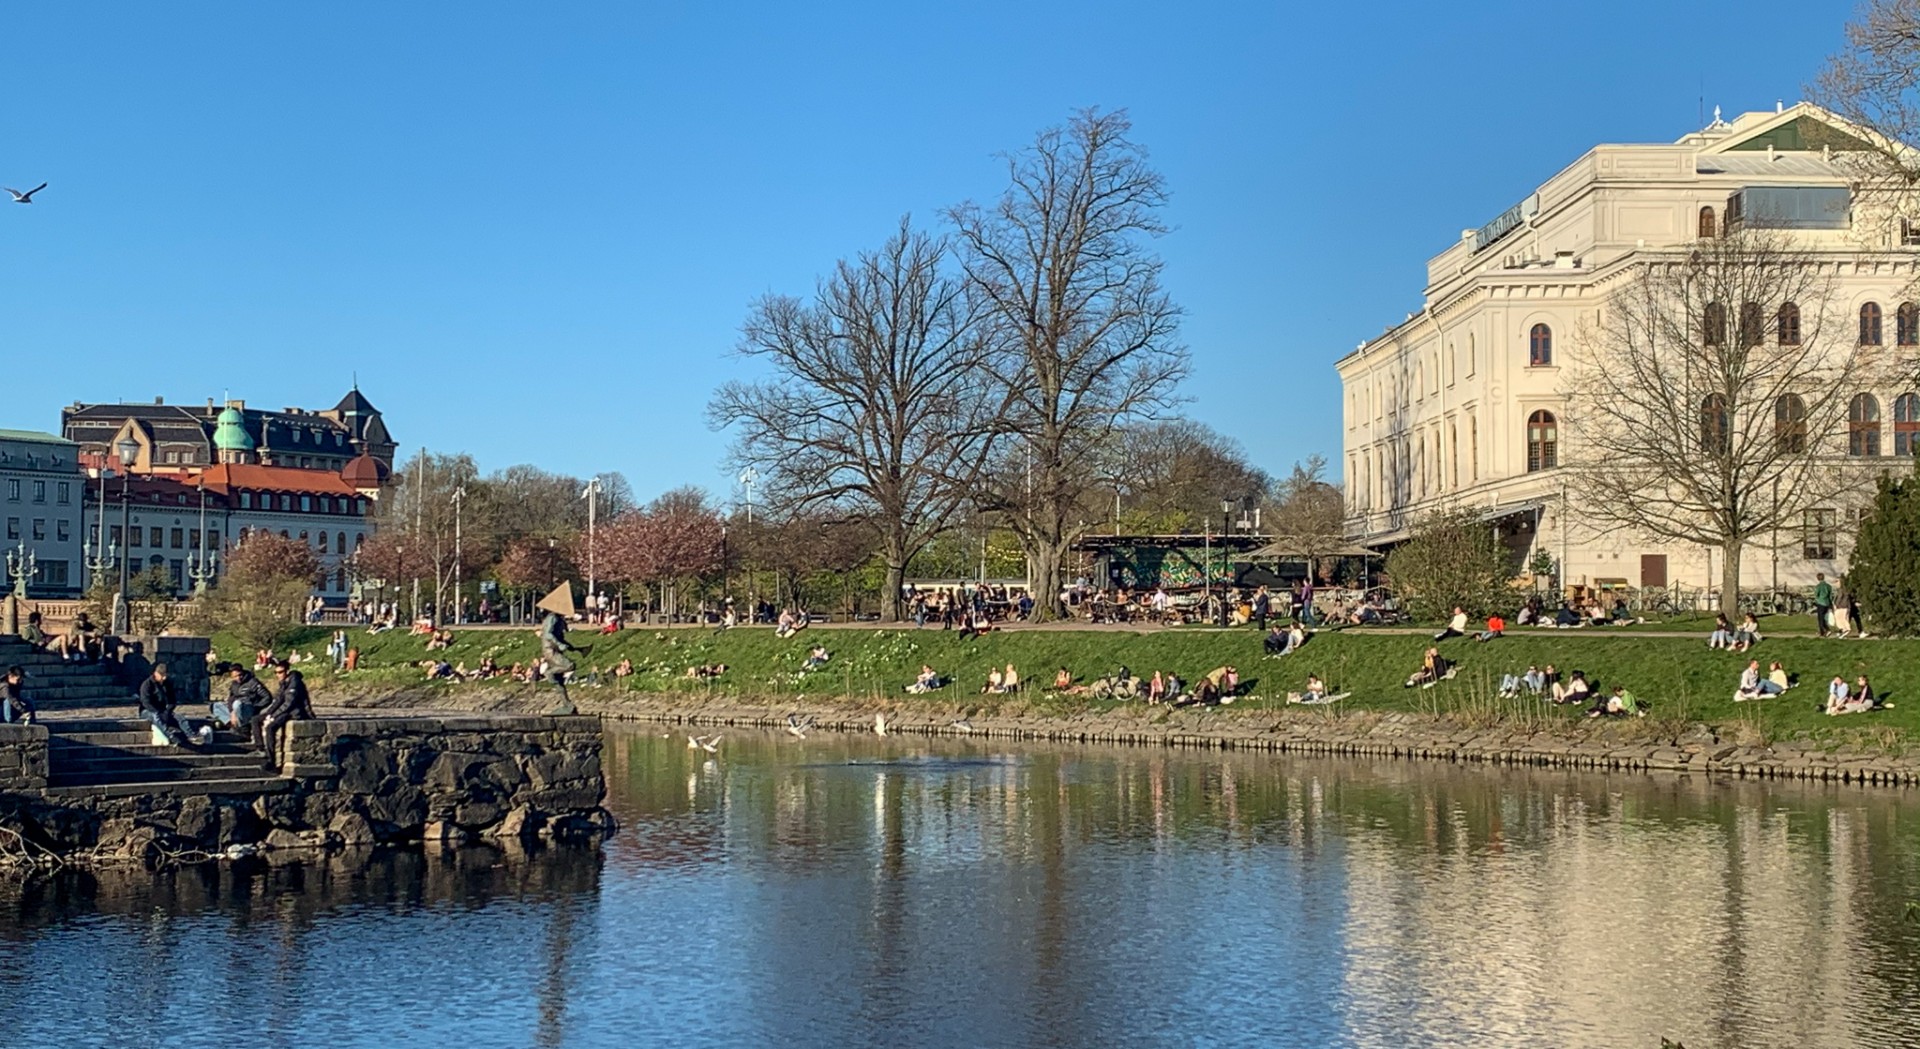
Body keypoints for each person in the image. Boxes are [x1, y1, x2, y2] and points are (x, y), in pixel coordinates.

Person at [257, 658, 314, 769]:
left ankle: (271, 760)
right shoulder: (284, 683)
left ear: (287, 671)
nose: (278, 675)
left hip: (295, 712)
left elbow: (289, 703)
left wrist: (273, 716)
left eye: (280, 672)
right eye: (276, 672)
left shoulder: (294, 682)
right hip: (287, 711)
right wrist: (268, 713)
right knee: (256, 720)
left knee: (270, 728)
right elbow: (278, 700)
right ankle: (260, 748)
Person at [537, 606, 584, 714]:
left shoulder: (558, 619)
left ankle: (567, 705)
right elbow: (548, 634)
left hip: (555, 649)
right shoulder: (552, 618)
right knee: (570, 665)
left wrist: (572, 648)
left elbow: (560, 637)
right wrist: (559, 644)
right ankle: (548, 672)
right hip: (551, 650)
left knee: (559, 682)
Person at [138, 663, 195, 746]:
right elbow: (145, 702)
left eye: (165, 676)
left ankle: (191, 735)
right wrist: (157, 711)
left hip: (162, 710)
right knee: (156, 717)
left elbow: (172, 700)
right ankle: (170, 735)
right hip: (148, 711)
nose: (164, 678)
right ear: (156, 674)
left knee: (179, 717)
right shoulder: (147, 684)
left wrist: (168, 711)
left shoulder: (167, 683)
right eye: (162, 676)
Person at [213, 663, 272, 731]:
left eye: (240, 675)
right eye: (235, 676)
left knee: (237, 703)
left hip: (248, 708)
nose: (238, 678)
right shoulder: (234, 684)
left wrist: (256, 707)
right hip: (236, 710)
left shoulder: (253, 682)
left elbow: (267, 697)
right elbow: (231, 698)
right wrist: (232, 712)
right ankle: (231, 723)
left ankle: (242, 726)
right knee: (216, 706)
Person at [1812, 572, 1834, 637]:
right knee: (1825, 618)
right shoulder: (1829, 586)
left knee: (1820, 619)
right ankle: (1823, 631)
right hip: (1827, 603)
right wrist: (1830, 604)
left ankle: (1825, 630)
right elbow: (1830, 596)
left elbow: (1816, 595)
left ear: (1818, 578)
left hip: (1821, 603)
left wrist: (1816, 601)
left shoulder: (1818, 586)